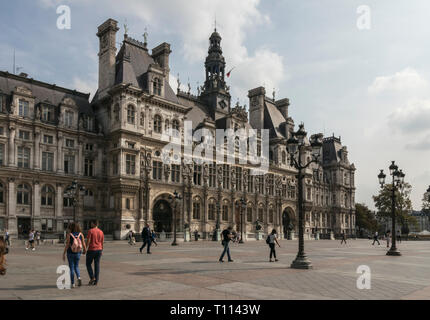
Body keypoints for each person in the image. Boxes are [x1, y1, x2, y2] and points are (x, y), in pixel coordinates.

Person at [62, 222, 86, 288]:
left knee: (71, 268)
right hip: (78, 252)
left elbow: (67, 245)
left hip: (70, 253)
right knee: (76, 266)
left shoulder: (69, 235)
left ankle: (72, 283)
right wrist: (85, 250)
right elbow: (83, 243)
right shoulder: (81, 234)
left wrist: (64, 253)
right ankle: (79, 277)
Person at [85, 220, 104, 286]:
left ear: (93, 223)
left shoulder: (91, 231)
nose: (90, 224)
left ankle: (92, 277)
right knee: (97, 265)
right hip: (99, 249)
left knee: (88, 264)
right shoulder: (101, 232)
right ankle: (96, 281)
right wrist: (102, 250)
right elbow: (102, 242)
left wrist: (85, 249)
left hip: (91, 249)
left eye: (91, 223)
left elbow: (88, 241)